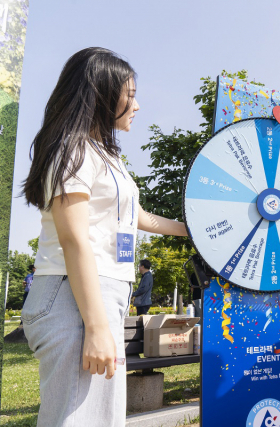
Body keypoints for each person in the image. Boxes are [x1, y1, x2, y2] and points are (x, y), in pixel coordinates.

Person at [20, 47, 188, 427]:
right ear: (100, 94)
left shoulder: (104, 155)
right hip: (74, 297)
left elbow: (137, 217)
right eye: (130, 95)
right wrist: (95, 327)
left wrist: (194, 230)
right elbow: (74, 239)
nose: (138, 105)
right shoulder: (73, 148)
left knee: (100, 419)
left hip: (97, 297)